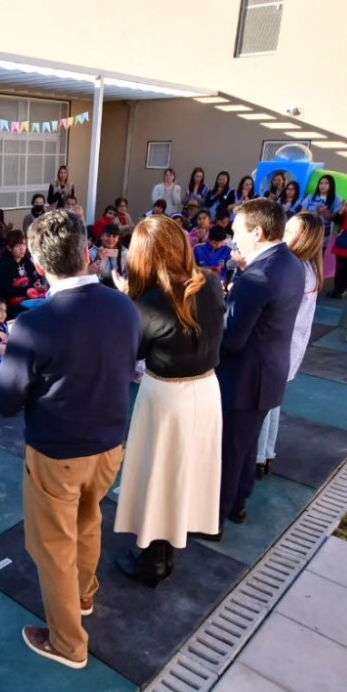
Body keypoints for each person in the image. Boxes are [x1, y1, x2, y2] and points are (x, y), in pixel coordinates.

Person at [0, 210, 139, 669]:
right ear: (86, 252)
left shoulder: (35, 325)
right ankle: (83, 596)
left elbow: (6, 402)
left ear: (39, 266)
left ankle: (67, 643)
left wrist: (10, 357)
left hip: (57, 451)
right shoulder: (123, 306)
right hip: (111, 443)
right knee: (88, 520)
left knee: (53, 547)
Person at [112, 215, 225, 584]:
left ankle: (153, 560)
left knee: (158, 474)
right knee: (185, 472)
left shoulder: (147, 301)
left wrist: (125, 300)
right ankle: (166, 551)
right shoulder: (210, 282)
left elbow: (132, 351)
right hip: (207, 390)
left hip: (166, 396)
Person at [216, 199, 305, 536]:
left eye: (238, 231)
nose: (233, 237)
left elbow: (232, 338)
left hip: (242, 378)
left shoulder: (258, 276)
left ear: (258, 231)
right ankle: (237, 504)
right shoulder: (290, 263)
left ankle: (215, 520)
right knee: (246, 445)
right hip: (267, 374)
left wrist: (216, 311)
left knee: (228, 452)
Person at [255, 212, 323, 479]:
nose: (283, 234)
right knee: (273, 402)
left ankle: (259, 455)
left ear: (304, 237)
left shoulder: (296, 269)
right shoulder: (308, 268)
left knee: (264, 403)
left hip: (280, 345)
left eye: (290, 230)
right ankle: (266, 453)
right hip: (289, 346)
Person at [0, 230, 47, 316]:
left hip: (28, 300)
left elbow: (33, 279)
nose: (22, 248)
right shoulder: (3, 265)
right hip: (11, 305)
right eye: (18, 246)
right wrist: (28, 289)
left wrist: (36, 284)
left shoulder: (26, 261)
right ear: (9, 248)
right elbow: (6, 290)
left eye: (24, 244)